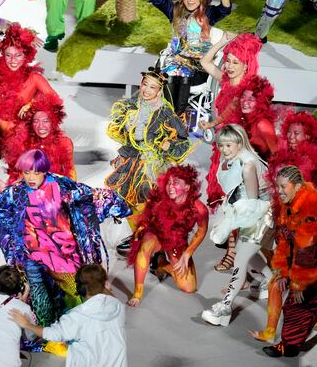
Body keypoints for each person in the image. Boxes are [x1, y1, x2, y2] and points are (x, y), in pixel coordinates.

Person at [0, 149, 130, 355]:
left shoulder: (60, 185)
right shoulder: (16, 192)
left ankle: (83, 334)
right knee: (40, 298)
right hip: (31, 255)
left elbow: (90, 196)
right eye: (26, 172)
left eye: (36, 173)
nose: (30, 177)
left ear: (44, 171)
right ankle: (50, 339)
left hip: (63, 254)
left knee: (76, 293)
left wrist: (117, 205)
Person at [105, 67, 191, 254]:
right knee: (127, 201)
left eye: (152, 87)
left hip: (152, 166)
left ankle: (154, 242)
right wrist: (123, 126)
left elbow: (184, 142)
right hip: (132, 161)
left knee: (148, 202)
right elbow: (122, 134)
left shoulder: (166, 114)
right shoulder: (131, 107)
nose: (147, 90)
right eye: (145, 85)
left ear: (160, 91)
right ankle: (140, 234)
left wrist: (170, 146)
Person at [0, 19, 63, 170]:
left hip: (19, 138)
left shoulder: (34, 79)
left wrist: (32, 105)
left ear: (26, 56)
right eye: (8, 55)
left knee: (19, 177)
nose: (13, 60)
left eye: (18, 55)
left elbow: (55, 100)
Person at [200, 33, 262, 270]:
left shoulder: (249, 87)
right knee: (229, 199)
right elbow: (205, 63)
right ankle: (234, 251)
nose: (229, 65)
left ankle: (234, 254)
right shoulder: (225, 80)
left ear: (247, 64)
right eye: (228, 60)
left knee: (239, 201)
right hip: (224, 148)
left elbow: (236, 116)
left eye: (236, 62)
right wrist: (223, 43)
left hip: (240, 150)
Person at [202, 124, 273, 326]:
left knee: (240, 259)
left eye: (228, 145)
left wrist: (230, 218)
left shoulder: (248, 165)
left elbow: (253, 202)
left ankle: (225, 307)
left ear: (240, 143)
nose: (224, 150)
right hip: (248, 211)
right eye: (221, 145)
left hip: (261, 214)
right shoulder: (234, 159)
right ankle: (269, 281)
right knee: (245, 254)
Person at [9, 264, 127, 367]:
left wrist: (27, 324)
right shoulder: (118, 306)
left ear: (80, 289)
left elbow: (52, 334)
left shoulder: (76, 317)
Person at [149, 0, 231, 113]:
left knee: (184, 73)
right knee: (172, 72)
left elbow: (225, 8)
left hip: (197, 68)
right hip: (175, 64)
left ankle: (176, 116)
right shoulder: (175, 10)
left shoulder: (208, 13)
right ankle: (168, 115)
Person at [126, 165, 209, 306]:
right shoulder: (160, 199)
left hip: (177, 241)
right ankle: (137, 292)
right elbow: (147, 217)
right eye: (169, 182)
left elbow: (201, 231)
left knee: (189, 288)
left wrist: (188, 253)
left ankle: (161, 263)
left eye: (176, 183)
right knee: (145, 245)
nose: (170, 186)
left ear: (188, 187)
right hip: (156, 234)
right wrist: (141, 228)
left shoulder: (199, 209)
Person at [261, 166, 317, 358]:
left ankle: (289, 346)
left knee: (296, 306)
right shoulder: (288, 206)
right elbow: (284, 241)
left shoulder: (310, 208)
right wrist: (284, 272)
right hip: (306, 265)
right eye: (278, 186)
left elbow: (307, 249)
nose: (280, 191)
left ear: (298, 186)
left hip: (310, 266)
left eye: (284, 186)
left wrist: (299, 282)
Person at [3, 92, 75, 182]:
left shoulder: (64, 143)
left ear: (54, 122)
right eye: (36, 121)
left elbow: (71, 172)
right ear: (31, 123)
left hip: (54, 192)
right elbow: (15, 175)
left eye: (46, 121)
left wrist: (70, 191)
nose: (41, 126)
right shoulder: (24, 143)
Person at [237, 74, 278, 161]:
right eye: (243, 97)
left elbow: (277, 156)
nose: (245, 102)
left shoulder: (262, 124)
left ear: (260, 102)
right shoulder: (245, 121)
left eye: (251, 99)